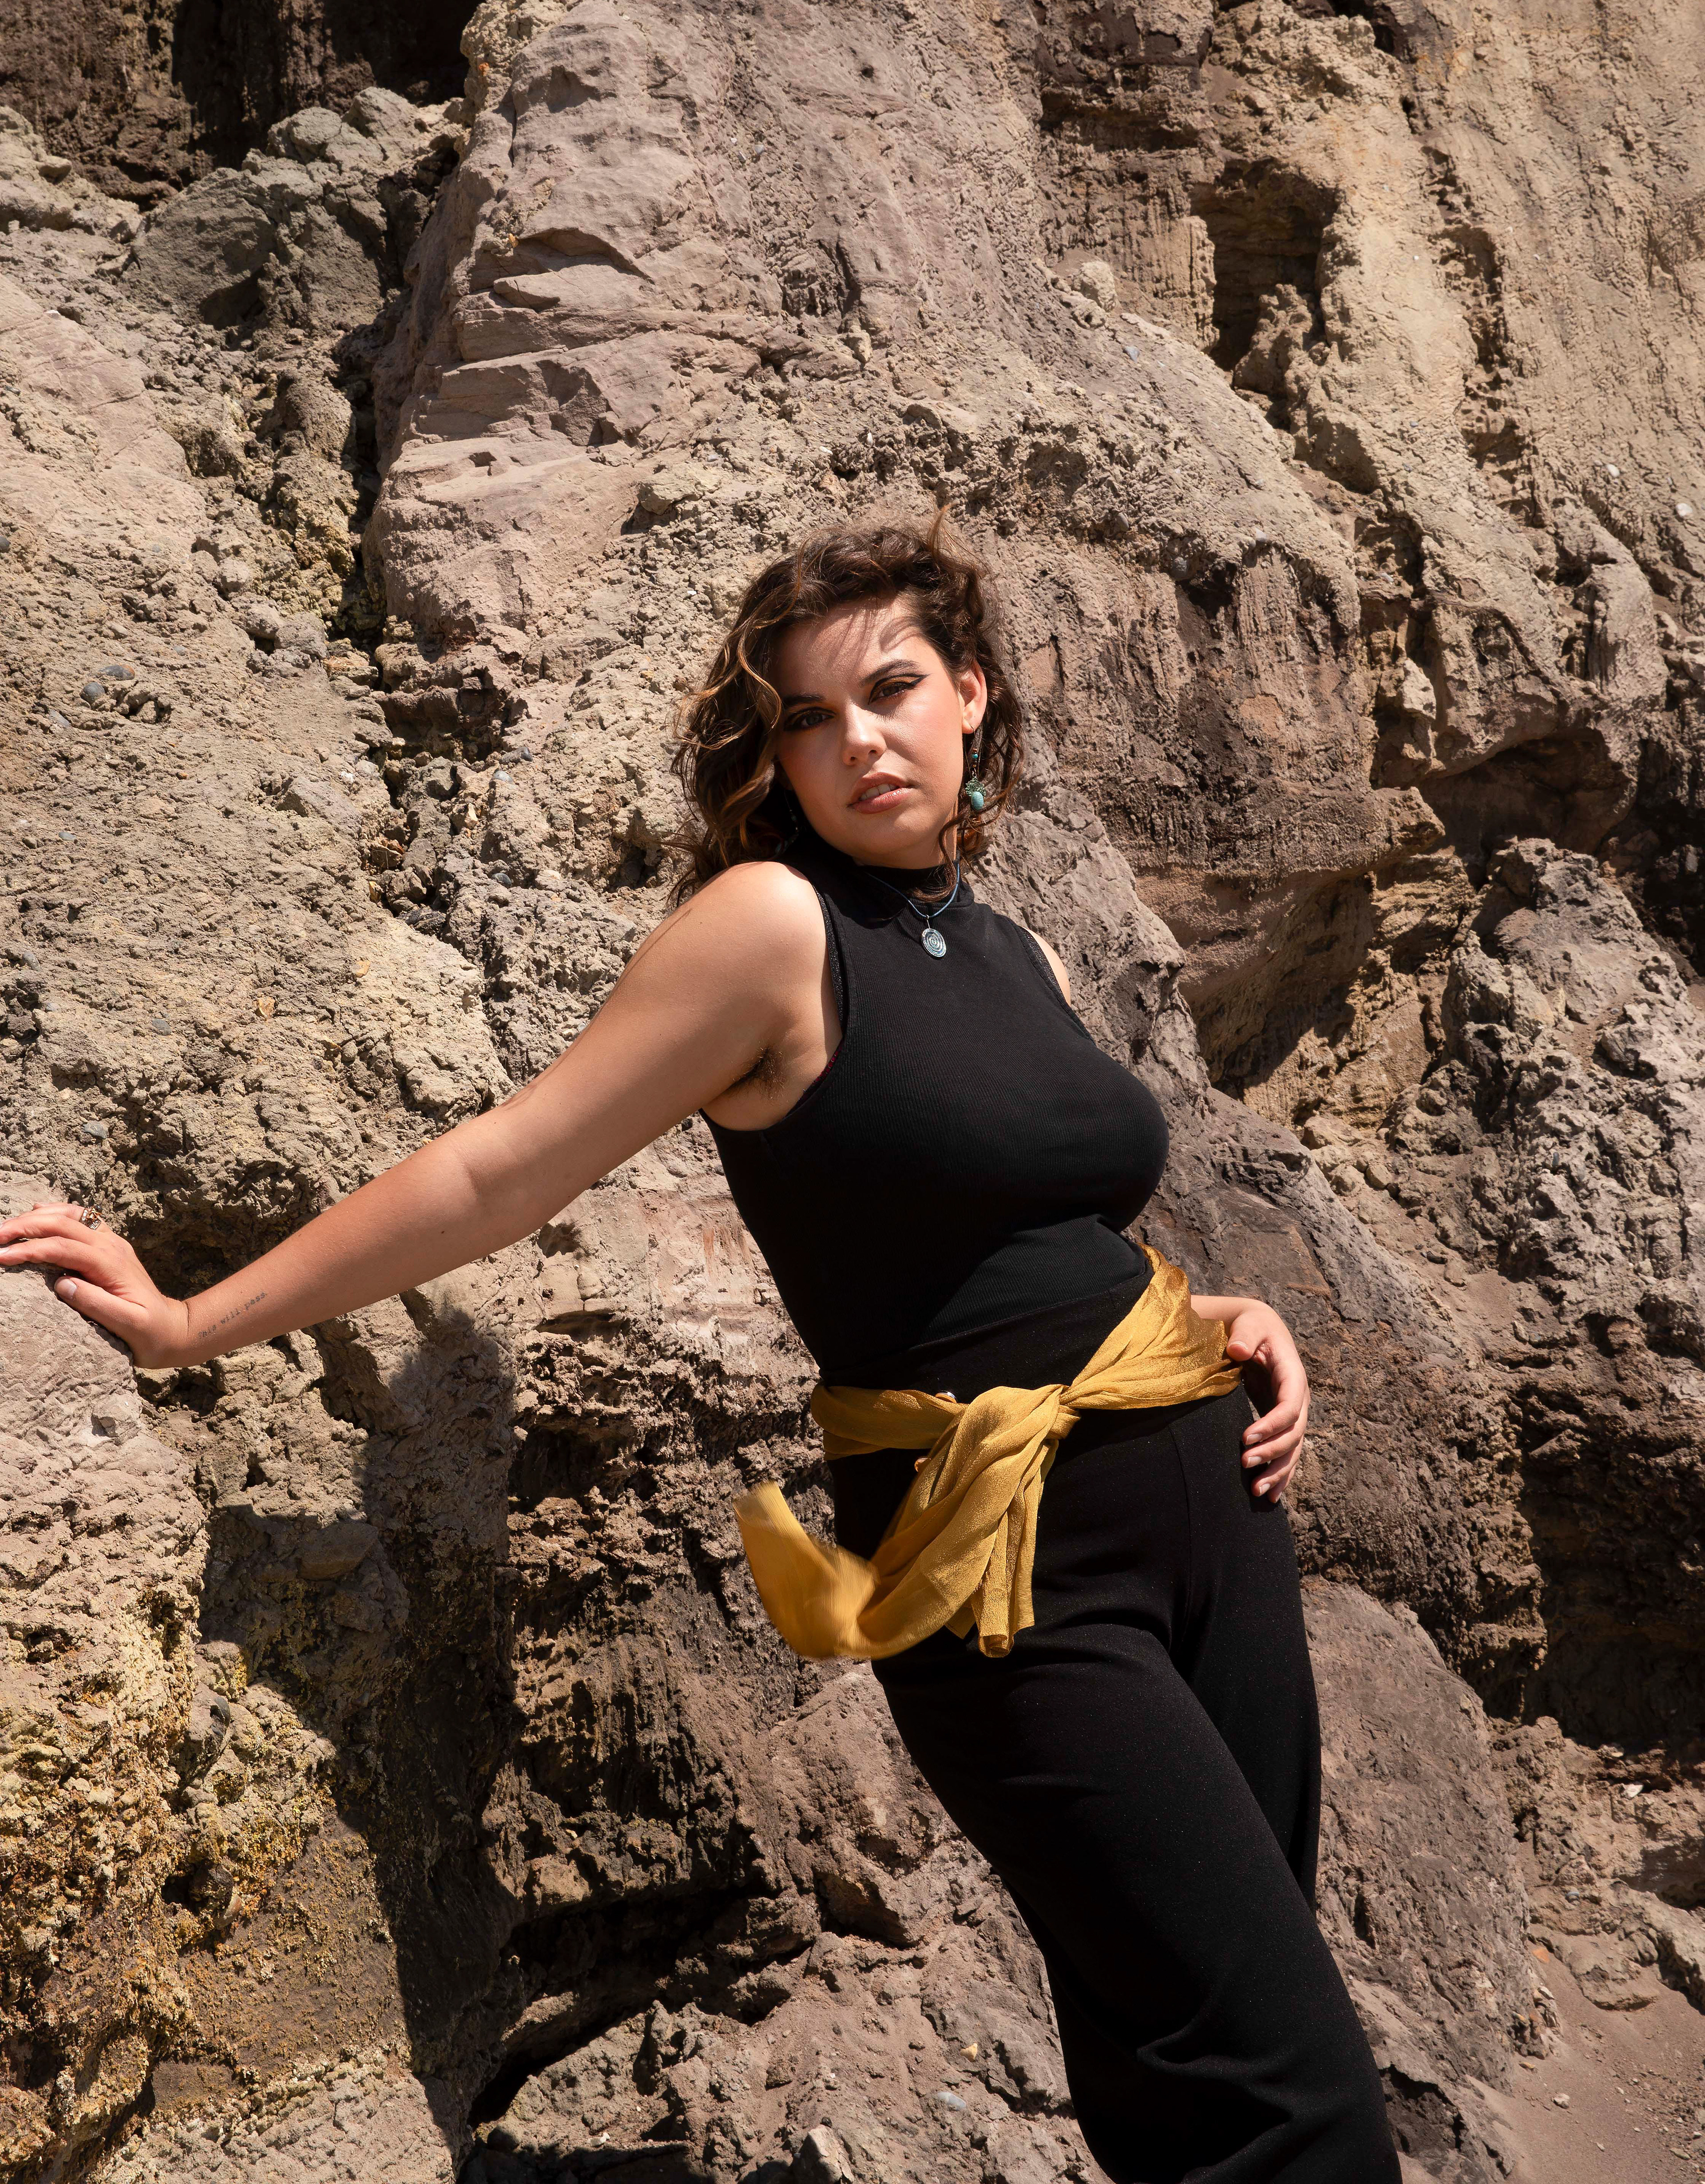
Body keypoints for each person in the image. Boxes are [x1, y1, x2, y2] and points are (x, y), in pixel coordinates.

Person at [0, 516, 1400, 2182]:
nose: (858, 740)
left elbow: (1029, 1216)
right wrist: (188, 1325)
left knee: (1190, 2052)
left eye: (891, 690)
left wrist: (1215, 1311)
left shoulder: (1003, 938)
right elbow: (500, 1168)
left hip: (1214, 1510)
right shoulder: (766, 929)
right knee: (1288, 2092)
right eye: (808, 719)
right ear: (775, 759)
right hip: (1012, 1572)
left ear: (972, 695)